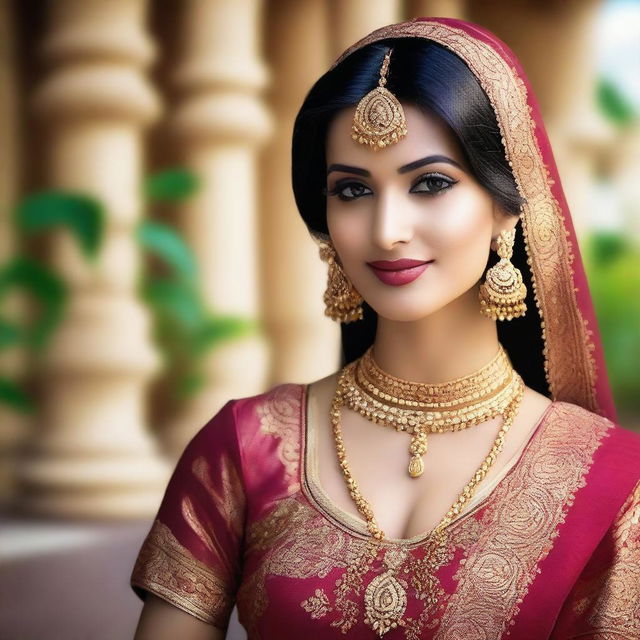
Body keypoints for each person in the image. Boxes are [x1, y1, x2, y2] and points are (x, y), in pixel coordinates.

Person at [131, 17, 640, 640]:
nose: (385, 230)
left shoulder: (615, 484)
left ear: (508, 206)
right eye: (352, 190)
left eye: (430, 183)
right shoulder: (244, 449)